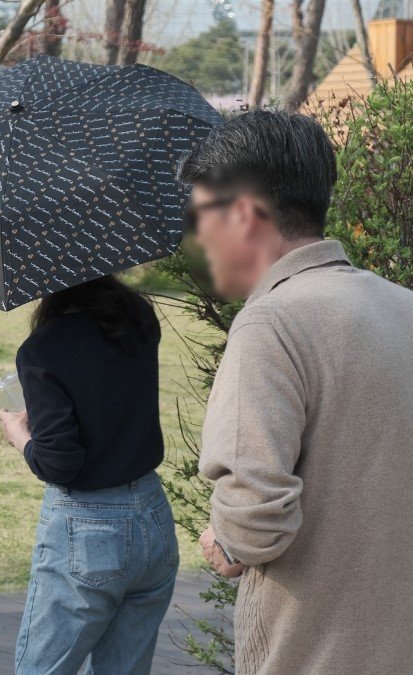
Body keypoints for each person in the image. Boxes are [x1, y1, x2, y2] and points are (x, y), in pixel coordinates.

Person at [180, 109, 413, 674]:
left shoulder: (271, 324)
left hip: (313, 647)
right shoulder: (401, 306)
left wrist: (227, 546)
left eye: (199, 215)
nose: (195, 236)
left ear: (242, 215)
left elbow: (254, 508)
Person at [0, 276, 176, 675]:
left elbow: (60, 462)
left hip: (88, 530)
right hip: (153, 517)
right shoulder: (139, 320)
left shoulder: (43, 350)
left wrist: (20, 436)